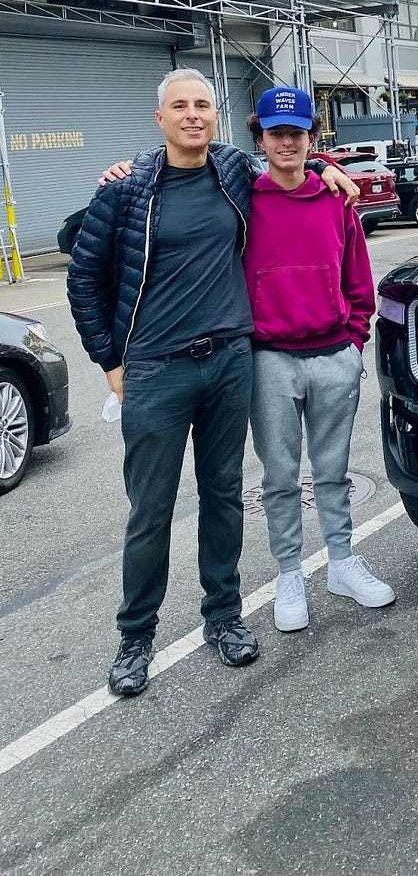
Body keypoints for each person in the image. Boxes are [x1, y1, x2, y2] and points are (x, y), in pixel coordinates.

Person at [67, 69, 357, 697]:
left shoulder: (232, 173)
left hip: (229, 360)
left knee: (223, 494)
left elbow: (291, 156)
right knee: (151, 509)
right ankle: (135, 636)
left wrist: (330, 163)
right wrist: (109, 362)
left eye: (203, 105)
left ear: (215, 118)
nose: (193, 115)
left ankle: (222, 617)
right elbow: (83, 277)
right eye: (180, 106)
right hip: (154, 367)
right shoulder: (129, 190)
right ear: (161, 118)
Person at [244, 86, 394, 632]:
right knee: (280, 475)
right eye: (276, 133)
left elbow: (359, 278)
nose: (287, 142)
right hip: (270, 360)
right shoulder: (242, 200)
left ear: (311, 138)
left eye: (298, 133)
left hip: (333, 353)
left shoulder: (337, 200)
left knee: (332, 470)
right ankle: (288, 573)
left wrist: (355, 342)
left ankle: (341, 561)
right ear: (260, 137)